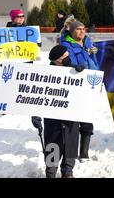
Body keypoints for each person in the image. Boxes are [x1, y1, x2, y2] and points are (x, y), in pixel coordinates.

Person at [31, 45, 81, 178]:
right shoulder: (46, 75)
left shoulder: (74, 71)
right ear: (57, 61)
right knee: (53, 144)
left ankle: (68, 172)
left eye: (68, 55)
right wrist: (35, 114)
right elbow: (37, 95)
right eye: (64, 57)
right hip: (53, 118)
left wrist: (83, 72)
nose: (68, 58)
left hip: (71, 117)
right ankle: (51, 173)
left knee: (70, 144)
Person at [60, 19, 99, 162]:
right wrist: (78, 64)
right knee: (74, 118)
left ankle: (84, 152)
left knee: (88, 116)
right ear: (72, 31)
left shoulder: (88, 41)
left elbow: (94, 61)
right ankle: (70, 152)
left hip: (91, 81)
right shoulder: (66, 44)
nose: (82, 31)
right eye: (78, 29)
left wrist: (95, 55)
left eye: (84, 29)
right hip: (75, 83)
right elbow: (69, 61)